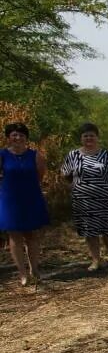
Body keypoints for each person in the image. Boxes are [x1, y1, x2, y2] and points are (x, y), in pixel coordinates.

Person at [60, 122, 108, 271]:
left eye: (92, 135)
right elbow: (65, 174)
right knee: (90, 231)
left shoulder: (106, 155)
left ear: (97, 137)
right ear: (81, 138)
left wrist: (104, 185)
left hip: (105, 199)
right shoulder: (73, 155)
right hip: (83, 201)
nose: (89, 138)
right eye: (85, 136)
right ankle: (96, 261)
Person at [0, 122, 50, 286]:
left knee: (32, 236)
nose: (18, 137)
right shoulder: (2, 155)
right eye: (14, 134)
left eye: (21, 135)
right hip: (10, 200)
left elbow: (40, 175)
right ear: (8, 137)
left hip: (31, 198)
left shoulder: (35, 155)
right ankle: (22, 274)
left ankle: (34, 270)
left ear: (26, 138)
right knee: (14, 236)